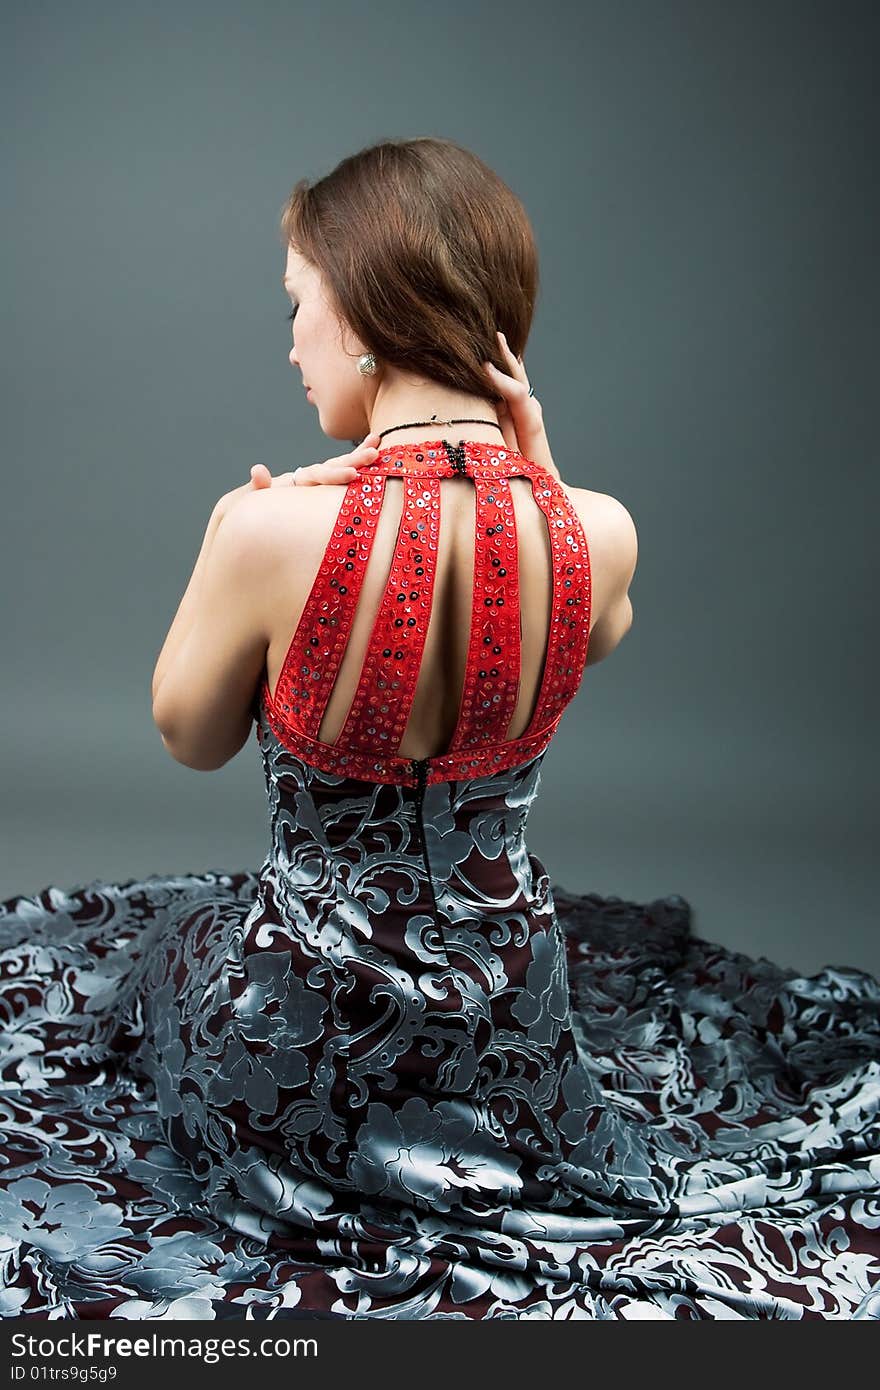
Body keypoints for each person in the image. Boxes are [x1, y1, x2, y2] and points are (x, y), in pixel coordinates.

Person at [1, 137, 878, 1322]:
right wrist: (536, 466)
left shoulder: (262, 533)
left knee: (160, 959)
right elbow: (593, 630)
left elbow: (189, 738)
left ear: (363, 312)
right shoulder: (598, 531)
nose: (292, 339)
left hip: (297, 1029)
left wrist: (230, 531)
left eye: (299, 302)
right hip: (511, 1032)